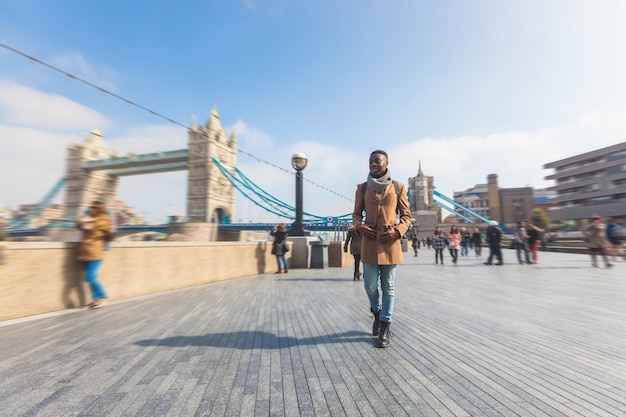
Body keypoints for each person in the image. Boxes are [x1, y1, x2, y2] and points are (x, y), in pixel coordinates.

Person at [352, 150, 412, 348]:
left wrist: (397, 231)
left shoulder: (398, 187)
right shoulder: (361, 188)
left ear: (386, 163)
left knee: (388, 286)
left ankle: (385, 325)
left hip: (390, 243)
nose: (373, 164)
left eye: (377, 161)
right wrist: (360, 227)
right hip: (369, 244)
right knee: (369, 285)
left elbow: (406, 216)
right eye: (370, 161)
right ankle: (376, 312)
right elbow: (356, 215)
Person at [76, 200, 113, 309]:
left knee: (89, 277)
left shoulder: (102, 221)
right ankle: (95, 300)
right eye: (90, 206)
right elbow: (81, 228)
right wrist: (79, 223)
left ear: (98, 209)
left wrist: (109, 233)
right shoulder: (88, 218)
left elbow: (107, 234)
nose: (90, 208)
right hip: (84, 252)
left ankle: (104, 296)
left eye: (93, 207)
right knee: (92, 277)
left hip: (95, 253)